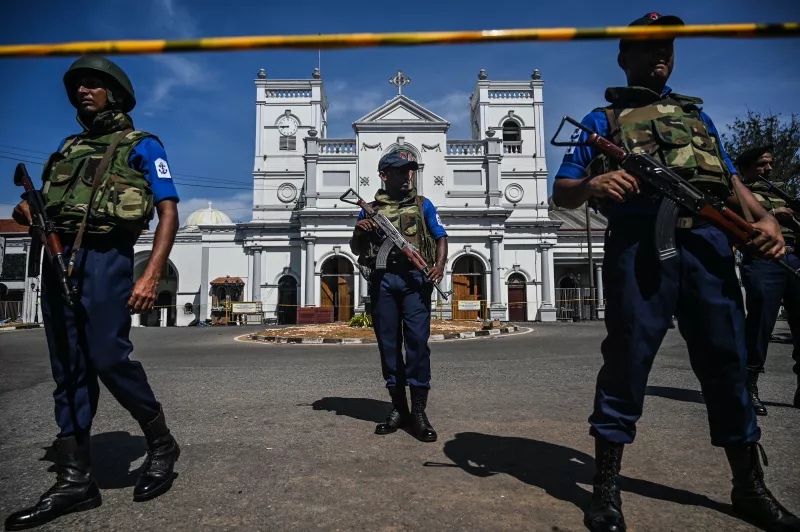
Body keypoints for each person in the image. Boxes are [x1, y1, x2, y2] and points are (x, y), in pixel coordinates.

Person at [552, 13, 800, 532]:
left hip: (708, 246)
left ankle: (750, 488)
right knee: (627, 361)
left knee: (726, 362)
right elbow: (564, 190)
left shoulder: (699, 120)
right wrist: (594, 187)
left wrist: (766, 220)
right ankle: (606, 491)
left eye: (667, 46)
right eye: (647, 47)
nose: (660, 54)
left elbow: (730, 182)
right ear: (624, 56)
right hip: (642, 248)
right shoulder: (604, 121)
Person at [6, 56, 181, 530]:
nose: (85, 91)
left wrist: (151, 274)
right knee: (68, 367)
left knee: (107, 356)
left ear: (116, 95)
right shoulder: (67, 148)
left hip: (106, 258)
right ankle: (75, 479)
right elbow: (40, 199)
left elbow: (168, 210)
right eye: (79, 85)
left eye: (95, 85)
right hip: (58, 257)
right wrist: (26, 210)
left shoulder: (141, 145)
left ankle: (161, 441)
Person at [349, 152, 448, 443]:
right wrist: (360, 229)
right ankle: (398, 408)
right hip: (383, 281)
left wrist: (439, 266)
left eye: (410, 171)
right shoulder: (370, 209)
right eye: (400, 171)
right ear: (384, 175)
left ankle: (418, 411)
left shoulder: (422, 205)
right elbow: (356, 248)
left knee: (417, 343)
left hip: (415, 280)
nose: (407, 176)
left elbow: (440, 235)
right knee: (389, 345)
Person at [737, 145, 800, 414]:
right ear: (748, 167)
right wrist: (773, 215)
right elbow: (733, 223)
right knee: (761, 323)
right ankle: (749, 388)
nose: (769, 169)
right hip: (764, 260)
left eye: (770, 164)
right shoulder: (737, 193)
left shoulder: (779, 191)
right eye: (763, 164)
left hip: (796, 257)